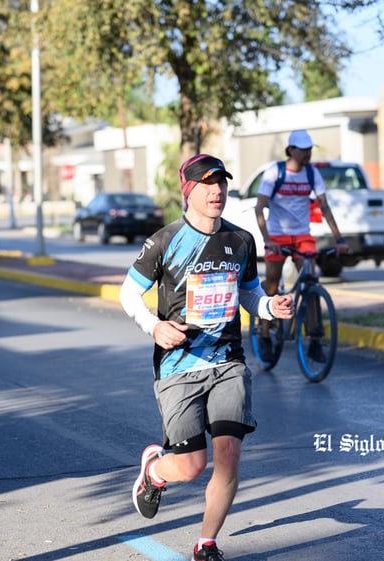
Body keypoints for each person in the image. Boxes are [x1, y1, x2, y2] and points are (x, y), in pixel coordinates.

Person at [120, 154, 293, 561]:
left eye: (222, 184)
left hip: (228, 361)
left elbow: (248, 293)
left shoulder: (240, 241)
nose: (217, 191)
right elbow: (129, 294)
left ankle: (206, 543)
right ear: (189, 190)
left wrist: (270, 307)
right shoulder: (164, 241)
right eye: (207, 184)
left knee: (229, 454)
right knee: (191, 466)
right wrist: (154, 327)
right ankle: (155, 470)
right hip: (179, 365)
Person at [254, 129, 348, 362]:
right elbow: (259, 208)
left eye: (309, 149)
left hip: (302, 236)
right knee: (273, 285)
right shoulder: (275, 172)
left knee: (310, 281)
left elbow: (324, 207)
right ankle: (265, 334)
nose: (307, 153)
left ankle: (315, 339)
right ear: (291, 150)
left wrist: (340, 239)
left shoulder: (312, 173)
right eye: (303, 149)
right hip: (277, 236)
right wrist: (267, 239)